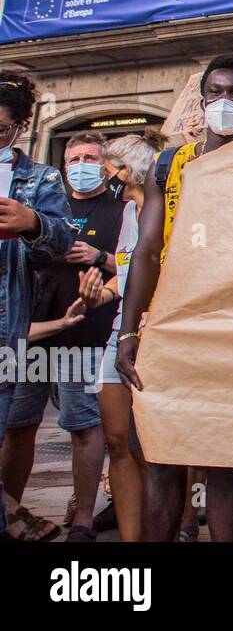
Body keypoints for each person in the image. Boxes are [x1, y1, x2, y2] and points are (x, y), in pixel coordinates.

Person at [116, 55, 233, 542]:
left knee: (225, 462)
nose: (226, 101)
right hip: (170, 325)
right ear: (202, 100)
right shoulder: (170, 162)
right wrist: (128, 330)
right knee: (162, 455)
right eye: (216, 91)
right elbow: (146, 251)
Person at [2, 129, 122, 542]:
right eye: (74, 159)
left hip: (86, 334)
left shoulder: (120, 209)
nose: (81, 166)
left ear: (104, 166)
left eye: (91, 158)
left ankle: (84, 520)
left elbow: (136, 261)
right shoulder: (42, 200)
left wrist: (99, 257)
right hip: (31, 330)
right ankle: (13, 513)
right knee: (18, 424)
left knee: (83, 426)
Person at [73, 130, 167, 541]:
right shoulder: (128, 216)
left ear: (127, 172)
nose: (103, 176)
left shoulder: (169, 214)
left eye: (108, 168)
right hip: (119, 335)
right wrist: (99, 296)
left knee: (151, 448)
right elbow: (126, 278)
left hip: (159, 340)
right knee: (118, 443)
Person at [0, 71, 75, 541]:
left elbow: (60, 243)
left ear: (19, 128)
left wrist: (32, 223)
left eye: (0, 130)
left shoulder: (38, 179)